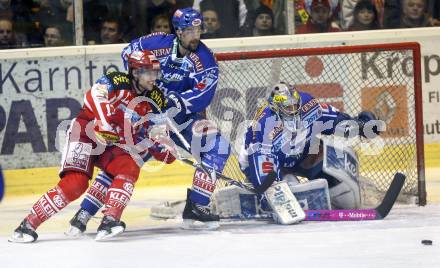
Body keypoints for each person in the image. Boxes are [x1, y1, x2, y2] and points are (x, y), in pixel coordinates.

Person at [68, 7, 230, 231]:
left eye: (198, 30)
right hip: (146, 117)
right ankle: (85, 212)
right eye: (190, 31)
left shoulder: (205, 58)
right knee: (124, 161)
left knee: (218, 145)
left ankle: (197, 206)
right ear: (178, 31)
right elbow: (128, 52)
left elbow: (205, 94)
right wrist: (143, 89)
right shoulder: (158, 42)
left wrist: (176, 102)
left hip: (181, 120)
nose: (196, 35)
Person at [9, 49, 175, 243]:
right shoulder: (116, 80)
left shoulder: (155, 99)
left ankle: (110, 220)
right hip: (86, 133)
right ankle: (27, 225)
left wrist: (160, 145)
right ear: (135, 72)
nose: (154, 77)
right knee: (76, 184)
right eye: (149, 72)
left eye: (156, 72)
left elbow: (160, 135)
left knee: (129, 166)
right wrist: (105, 122)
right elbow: (93, 95)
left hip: (113, 143)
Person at [239, 82, 382, 212]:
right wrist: (270, 193)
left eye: (295, 106)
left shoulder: (308, 105)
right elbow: (264, 168)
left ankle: (328, 198)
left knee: (346, 195)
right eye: (288, 108)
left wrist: (361, 126)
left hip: (301, 153)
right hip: (266, 164)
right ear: (276, 109)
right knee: (288, 187)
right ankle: (260, 192)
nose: (293, 111)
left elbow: (334, 121)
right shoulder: (264, 126)